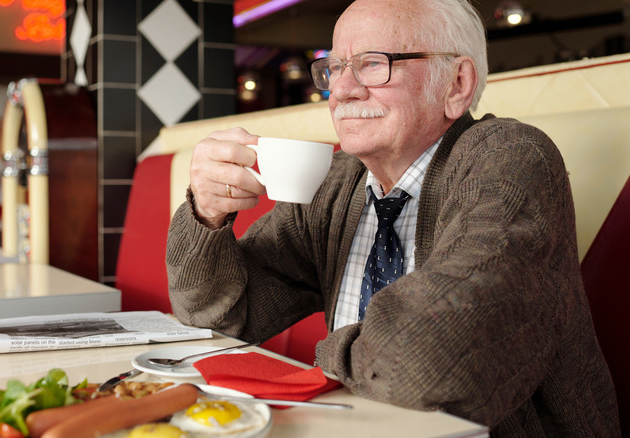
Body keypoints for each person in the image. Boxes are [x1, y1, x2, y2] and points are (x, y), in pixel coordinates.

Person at [165, 0, 620, 435]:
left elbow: (435, 359)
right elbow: (214, 315)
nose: (341, 89)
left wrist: (325, 361)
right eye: (335, 66)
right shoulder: (337, 183)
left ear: (456, 85)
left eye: (373, 63)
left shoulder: (512, 158)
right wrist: (206, 215)